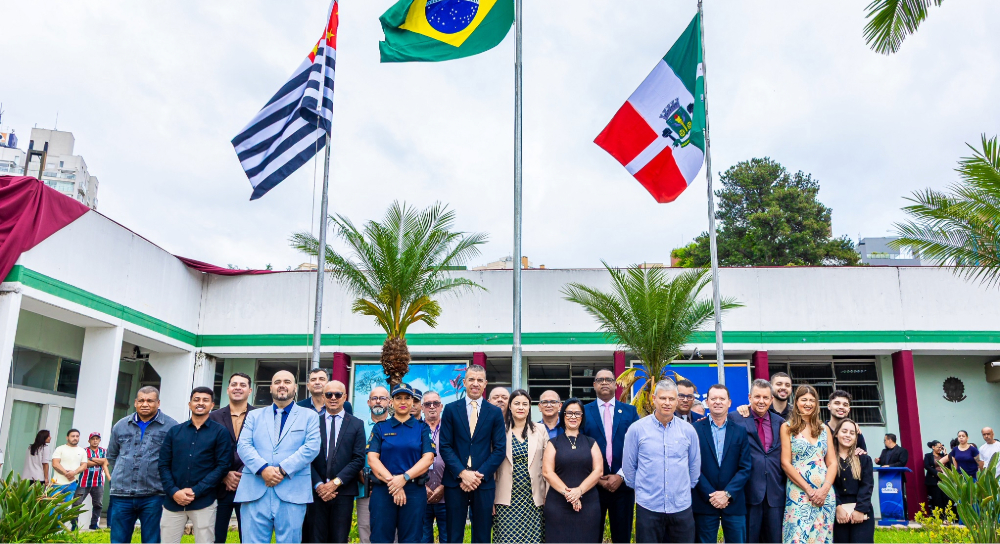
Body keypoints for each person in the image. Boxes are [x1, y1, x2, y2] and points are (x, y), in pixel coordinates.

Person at [235, 370, 321, 544]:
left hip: (292, 490)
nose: (282, 385)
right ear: (271, 388)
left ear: (295, 388)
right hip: (255, 489)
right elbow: (243, 446)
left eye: (287, 382)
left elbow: (311, 447)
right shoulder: (254, 415)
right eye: (277, 382)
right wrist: (263, 469)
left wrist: (282, 470)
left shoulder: (309, 416)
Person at [621, 379, 701, 543]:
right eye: (663, 398)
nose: (667, 403)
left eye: (671, 399)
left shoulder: (688, 431)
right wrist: (644, 491)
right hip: (648, 507)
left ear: (677, 401)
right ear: (654, 399)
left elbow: (694, 467)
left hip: (681, 507)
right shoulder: (637, 429)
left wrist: (682, 490)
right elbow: (629, 468)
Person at [439, 364, 507, 544]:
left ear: (485, 384)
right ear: (464, 382)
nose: (475, 383)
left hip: (482, 483)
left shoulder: (495, 413)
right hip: (455, 482)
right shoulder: (451, 409)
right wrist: (463, 473)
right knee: (454, 535)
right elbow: (445, 446)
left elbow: (500, 449)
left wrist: (477, 476)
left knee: (482, 536)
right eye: (471, 379)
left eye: (479, 380)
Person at [158, 387, 232, 543]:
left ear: (212, 405)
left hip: (204, 501)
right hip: (173, 501)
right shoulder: (174, 432)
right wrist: (174, 491)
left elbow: (223, 466)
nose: (200, 403)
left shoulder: (220, 432)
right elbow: (163, 465)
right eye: (196, 400)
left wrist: (196, 490)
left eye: (205, 400)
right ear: (189, 404)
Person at [107, 386, 179, 544]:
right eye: (141, 401)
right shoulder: (120, 425)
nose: (145, 404)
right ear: (135, 403)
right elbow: (112, 455)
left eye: (150, 401)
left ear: (158, 403)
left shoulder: (171, 426)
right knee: (118, 540)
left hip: (154, 495)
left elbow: (176, 459)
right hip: (122, 494)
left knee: (152, 540)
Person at [367, 383, 436, 543]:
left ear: (412, 402)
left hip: (413, 492)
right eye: (398, 398)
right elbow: (372, 459)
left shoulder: (422, 428)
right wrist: (395, 483)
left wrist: (404, 478)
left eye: (407, 398)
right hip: (384, 491)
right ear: (391, 402)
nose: (403, 402)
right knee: (380, 539)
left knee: (412, 539)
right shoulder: (380, 428)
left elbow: (428, 458)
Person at [581, 369, 640, 543]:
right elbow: (580, 448)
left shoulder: (630, 412)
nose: (605, 382)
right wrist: (597, 478)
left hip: (623, 486)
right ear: (594, 385)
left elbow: (638, 447)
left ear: (615, 384)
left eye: (609, 380)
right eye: (600, 380)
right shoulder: (584, 412)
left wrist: (621, 475)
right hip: (592, 487)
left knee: (622, 537)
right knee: (591, 537)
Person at [305, 380, 365, 544]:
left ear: (344, 397)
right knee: (315, 539)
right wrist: (319, 485)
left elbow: (358, 459)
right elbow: (306, 457)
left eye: (337, 394)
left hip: (343, 492)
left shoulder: (357, 424)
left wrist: (335, 483)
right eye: (329, 394)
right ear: (323, 397)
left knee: (339, 539)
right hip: (316, 492)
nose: (333, 398)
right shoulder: (312, 422)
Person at [692, 384, 752, 543]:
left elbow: (745, 467)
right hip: (704, 501)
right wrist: (710, 495)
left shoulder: (740, 431)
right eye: (713, 398)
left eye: (722, 398)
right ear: (707, 402)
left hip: (734, 502)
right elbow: (692, 466)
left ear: (729, 402)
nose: (717, 402)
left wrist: (727, 494)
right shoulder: (695, 429)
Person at [730, 379, 785, 544]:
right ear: (749, 397)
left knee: (775, 540)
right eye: (757, 397)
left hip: (775, 493)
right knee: (749, 539)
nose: (761, 401)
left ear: (771, 400)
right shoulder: (735, 419)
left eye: (766, 397)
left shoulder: (781, 423)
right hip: (748, 492)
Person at [780, 384, 837, 544]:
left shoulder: (824, 429)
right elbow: (785, 463)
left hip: (825, 494)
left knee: (822, 538)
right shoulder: (787, 427)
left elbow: (832, 462)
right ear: (796, 402)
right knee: (797, 537)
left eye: (812, 400)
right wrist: (809, 490)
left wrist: (824, 490)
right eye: (804, 399)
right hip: (799, 492)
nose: (808, 404)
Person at [542, 398, 603, 543]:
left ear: (582, 417)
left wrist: (579, 491)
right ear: (563, 415)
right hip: (558, 505)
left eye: (577, 413)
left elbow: (598, 471)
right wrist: (570, 495)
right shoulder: (553, 443)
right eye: (569, 413)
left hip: (588, 505)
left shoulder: (591, 442)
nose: (573, 417)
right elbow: (547, 472)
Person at [207, 371, 258, 543]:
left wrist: (243, 473)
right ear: (228, 389)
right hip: (220, 486)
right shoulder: (213, 417)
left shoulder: (260, 416)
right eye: (234, 384)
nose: (238, 388)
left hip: (249, 484)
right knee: (216, 536)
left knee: (249, 537)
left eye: (243, 385)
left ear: (249, 390)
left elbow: (262, 448)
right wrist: (224, 474)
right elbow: (207, 450)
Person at [494, 389, 548, 543]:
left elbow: (547, 464)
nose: (521, 407)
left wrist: (548, 494)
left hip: (533, 498)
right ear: (510, 406)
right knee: (507, 539)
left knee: (534, 540)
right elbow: (493, 466)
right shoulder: (499, 430)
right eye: (517, 403)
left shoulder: (540, 429)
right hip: (506, 498)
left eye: (525, 404)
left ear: (529, 407)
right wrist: (491, 499)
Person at [357, 386, 391, 544]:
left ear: (389, 402)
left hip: (392, 488)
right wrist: (362, 479)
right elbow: (354, 456)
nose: (378, 401)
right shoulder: (359, 427)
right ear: (368, 402)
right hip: (365, 488)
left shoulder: (397, 426)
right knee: (366, 530)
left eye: (382, 398)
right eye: (374, 398)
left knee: (392, 531)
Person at [832, 419, 874, 544]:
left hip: (861, 509)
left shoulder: (864, 459)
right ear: (836, 434)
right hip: (838, 511)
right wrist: (838, 507)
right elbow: (829, 485)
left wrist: (860, 510)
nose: (848, 435)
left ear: (856, 437)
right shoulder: (829, 459)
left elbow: (867, 486)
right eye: (844, 431)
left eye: (852, 433)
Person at [421, 391, 447, 544]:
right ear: (422, 408)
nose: (432, 407)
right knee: (423, 540)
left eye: (435, 403)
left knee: (448, 539)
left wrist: (444, 486)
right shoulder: (415, 429)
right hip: (421, 496)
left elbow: (458, 459)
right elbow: (409, 460)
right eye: (427, 404)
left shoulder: (450, 429)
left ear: (441, 406)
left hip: (446, 496)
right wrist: (422, 486)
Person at [76, 432, 110, 531]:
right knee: (77, 504)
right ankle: (74, 525)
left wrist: (91, 459)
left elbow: (106, 462)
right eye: (93, 439)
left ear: (99, 440)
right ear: (89, 440)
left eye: (97, 439)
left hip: (98, 482)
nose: (95, 441)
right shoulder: (83, 451)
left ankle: (94, 524)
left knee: (98, 504)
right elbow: (84, 464)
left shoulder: (103, 451)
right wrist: (99, 461)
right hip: (84, 481)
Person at [51, 429, 88, 511]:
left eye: (77, 436)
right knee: (53, 508)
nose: (75, 438)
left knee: (64, 509)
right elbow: (55, 464)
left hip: (72, 484)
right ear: (67, 437)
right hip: (57, 484)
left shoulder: (82, 451)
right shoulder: (60, 449)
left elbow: (84, 465)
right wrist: (67, 474)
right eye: (73, 436)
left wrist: (74, 472)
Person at [875, 433, 909, 514]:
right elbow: (883, 463)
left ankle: (903, 515)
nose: (884, 442)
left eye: (885, 440)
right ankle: (887, 515)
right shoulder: (884, 451)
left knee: (899, 496)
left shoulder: (902, 451)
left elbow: (902, 463)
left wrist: (889, 466)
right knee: (886, 497)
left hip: (897, 478)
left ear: (890, 440)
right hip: (885, 478)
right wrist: (878, 461)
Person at [923, 441, 949, 514]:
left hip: (944, 480)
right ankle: (939, 516)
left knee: (946, 498)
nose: (940, 449)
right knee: (937, 499)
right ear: (933, 447)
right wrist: (937, 473)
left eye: (941, 447)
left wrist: (945, 454)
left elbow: (949, 464)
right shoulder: (928, 456)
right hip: (934, 480)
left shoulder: (943, 456)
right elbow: (927, 466)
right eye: (938, 447)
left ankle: (947, 515)